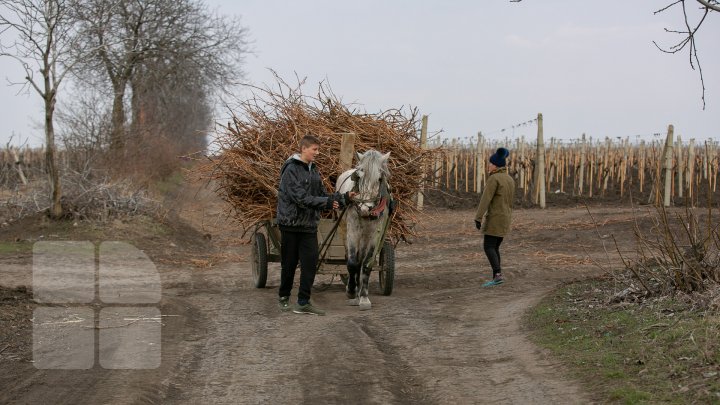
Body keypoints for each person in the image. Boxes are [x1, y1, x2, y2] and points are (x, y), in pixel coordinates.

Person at [275, 135, 349, 315]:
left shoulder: (313, 170)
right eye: (314, 149)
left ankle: (303, 302)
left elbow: (322, 193)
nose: (317, 152)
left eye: (318, 149)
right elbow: (301, 198)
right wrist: (326, 203)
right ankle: (284, 296)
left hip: (308, 226)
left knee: (310, 263)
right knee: (290, 264)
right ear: (303, 149)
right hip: (290, 225)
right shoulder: (291, 169)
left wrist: (342, 198)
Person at [474, 147, 515, 287]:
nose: (488, 165)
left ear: (496, 165)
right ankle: (497, 276)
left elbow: (485, 199)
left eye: (490, 163)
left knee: (488, 246)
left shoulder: (494, 179)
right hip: (506, 217)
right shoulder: (509, 179)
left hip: (495, 218)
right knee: (495, 246)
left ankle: (497, 275)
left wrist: (478, 217)